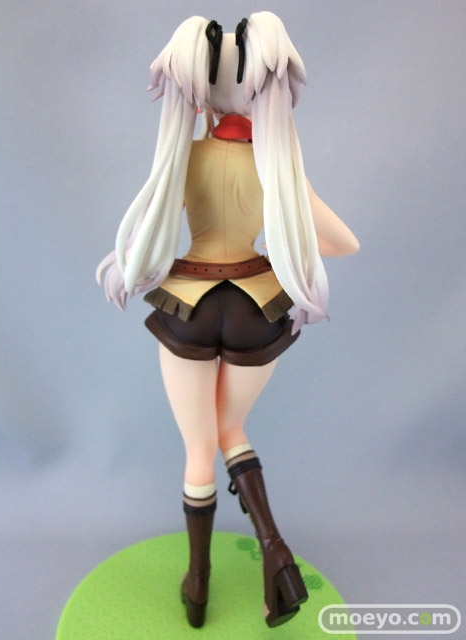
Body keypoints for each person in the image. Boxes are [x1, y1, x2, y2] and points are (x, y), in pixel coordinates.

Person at [96, 12, 359, 628]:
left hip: (186, 306)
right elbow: (342, 242)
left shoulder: (182, 159)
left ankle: (198, 584)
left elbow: (145, 236)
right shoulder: (278, 169)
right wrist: (277, 247)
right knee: (229, 429)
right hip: (254, 307)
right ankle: (276, 553)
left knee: (200, 446)